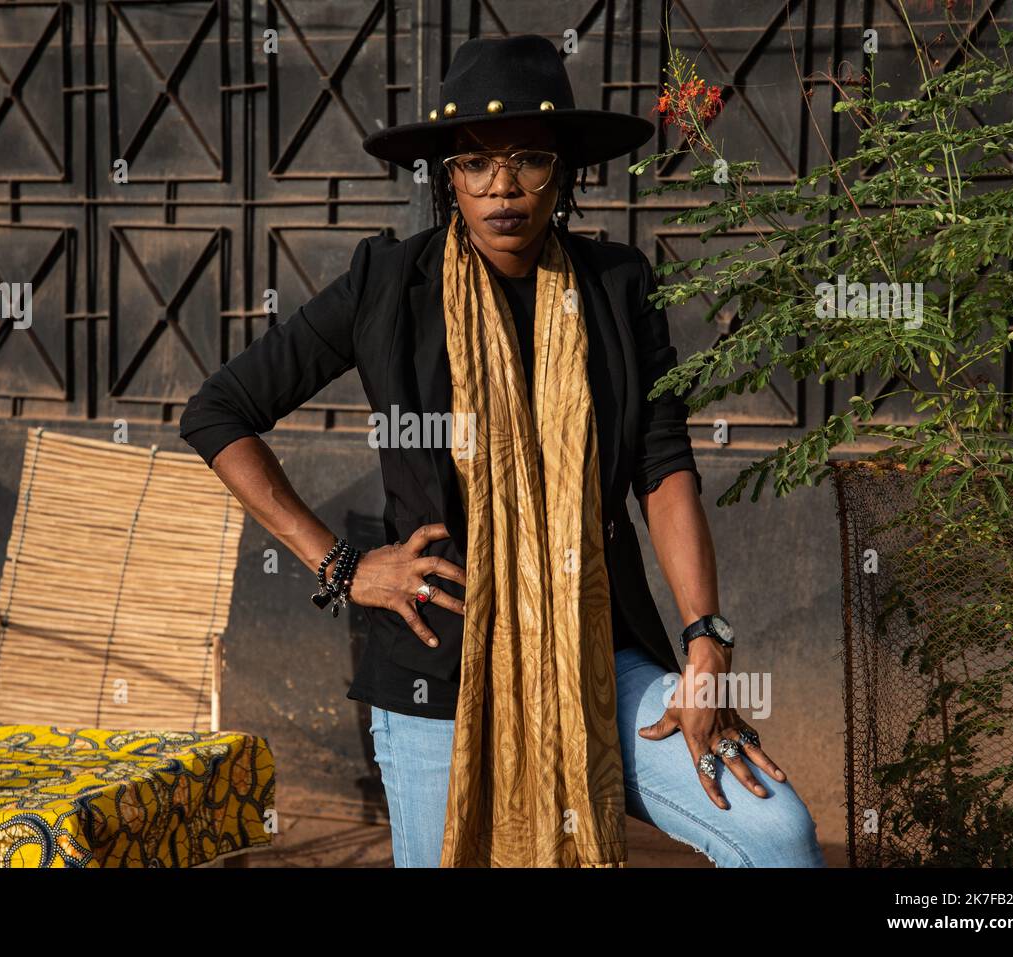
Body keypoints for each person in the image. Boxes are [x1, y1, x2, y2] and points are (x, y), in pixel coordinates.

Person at [179, 34, 825, 868]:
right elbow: (219, 412)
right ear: (449, 176)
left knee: (779, 835)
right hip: (436, 672)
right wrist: (341, 565)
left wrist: (707, 640)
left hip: (597, 655)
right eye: (476, 163)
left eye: (527, 159)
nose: (503, 187)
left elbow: (662, 470)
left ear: (564, 171)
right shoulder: (389, 286)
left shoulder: (618, 287)